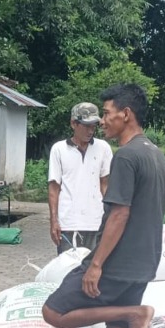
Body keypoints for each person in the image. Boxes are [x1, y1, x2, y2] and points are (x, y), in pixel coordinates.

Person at [41, 83, 165, 328]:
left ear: (125, 113)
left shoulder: (126, 157)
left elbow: (120, 214)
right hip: (143, 261)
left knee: (54, 312)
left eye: (108, 113)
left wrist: (95, 264)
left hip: (117, 262)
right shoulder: (155, 154)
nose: (104, 121)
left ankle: (134, 313)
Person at [48, 102, 112, 254]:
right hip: (68, 223)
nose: (91, 131)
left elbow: (105, 185)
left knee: (94, 270)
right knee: (68, 270)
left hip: (96, 221)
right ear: (73, 123)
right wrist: (54, 221)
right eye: (86, 126)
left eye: (93, 126)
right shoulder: (59, 149)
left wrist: (110, 216)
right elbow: (54, 188)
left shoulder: (103, 148)